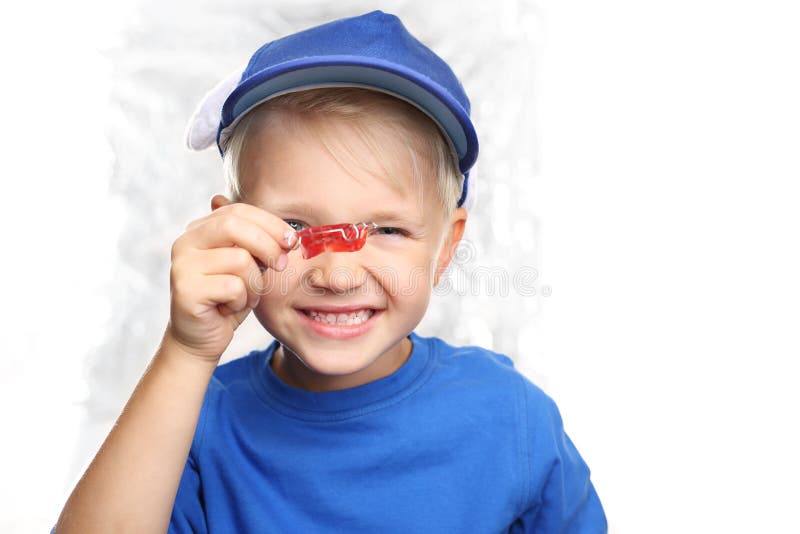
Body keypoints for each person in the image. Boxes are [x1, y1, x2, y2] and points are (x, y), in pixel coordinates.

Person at [54, 10, 607, 533]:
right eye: (295, 225)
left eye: (387, 231)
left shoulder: (511, 418)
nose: (338, 276)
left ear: (444, 249)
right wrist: (185, 350)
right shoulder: (189, 424)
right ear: (233, 234)